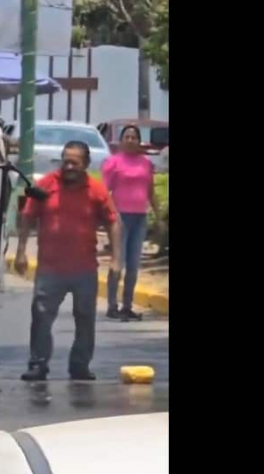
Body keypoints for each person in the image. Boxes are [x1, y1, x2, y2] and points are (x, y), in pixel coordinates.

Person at [15, 141, 122, 382]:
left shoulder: (96, 190)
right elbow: (27, 216)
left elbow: (113, 221)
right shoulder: (46, 185)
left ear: (86, 164)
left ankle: (80, 366)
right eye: (66, 160)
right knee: (41, 316)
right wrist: (21, 251)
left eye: (75, 162)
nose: (69, 165)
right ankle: (38, 364)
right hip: (50, 268)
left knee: (85, 318)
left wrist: (117, 259)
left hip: (84, 268)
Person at [101, 124, 160, 321]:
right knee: (118, 261)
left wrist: (158, 216)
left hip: (140, 218)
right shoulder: (113, 163)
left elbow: (150, 191)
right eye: (126, 137)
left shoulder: (145, 164)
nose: (130, 140)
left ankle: (127, 305)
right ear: (121, 140)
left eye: (133, 137)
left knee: (133, 265)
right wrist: (111, 215)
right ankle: (112, 305)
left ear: (138, 140)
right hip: (120, 218)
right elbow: (104, 193)